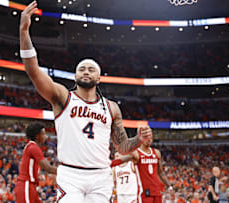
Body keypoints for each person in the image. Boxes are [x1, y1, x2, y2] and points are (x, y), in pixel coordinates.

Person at [19, 2, 152, 202]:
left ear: (98, 79)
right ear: (75, 76)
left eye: (91, 69)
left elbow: (123, 146)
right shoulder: (63, 97)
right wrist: (24, 31)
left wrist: (138, 140)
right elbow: (33, 71)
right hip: (71, 174)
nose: (86, 71)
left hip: (101, 175)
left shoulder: (111, 107)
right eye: (82, 69)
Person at [14, 122, 57, 203]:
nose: (45, 136)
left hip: (31, 185)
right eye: (43, 134)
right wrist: (66, 171)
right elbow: (48, 168)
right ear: (37, 136)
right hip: (26, 184)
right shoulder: (33, 147)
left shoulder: (31, 147)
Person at [131, 134, 170, 203]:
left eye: (150, 138)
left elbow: (160, 172)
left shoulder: (157, 152)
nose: (149, 140)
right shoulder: (136, 153)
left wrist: (169, 185)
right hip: (144, 191)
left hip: (156, 190)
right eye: (146, 138)